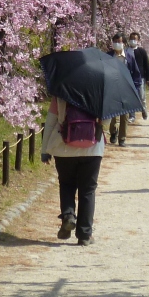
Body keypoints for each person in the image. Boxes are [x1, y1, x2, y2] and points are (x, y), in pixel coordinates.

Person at [40, 96, 104, 245]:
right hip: (92, 148)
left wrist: (45, 150)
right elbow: (105, 122)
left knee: (66, 184)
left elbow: (50, 122)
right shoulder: (100, 91)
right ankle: (84, 234)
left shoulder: (61, 92)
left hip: (63, 147)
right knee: (87, 190)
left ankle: (68, 215)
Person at [107, 34, 140, 145]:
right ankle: (113, 131)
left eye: (119, 41)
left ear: (124, 43)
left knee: (124, 115)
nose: (117, 43)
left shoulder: (129, 57)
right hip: (111, 88)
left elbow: (136, 74)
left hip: (126, 89)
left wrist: (135, 88)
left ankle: (122, 138)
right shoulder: (108, 56)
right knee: (112, 114)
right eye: (115, 41)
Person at [129, 31, 149, 120]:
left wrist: (148, 78)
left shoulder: (141, 51)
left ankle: (144, 110)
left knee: (142, 96)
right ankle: (132, 115)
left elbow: (146, 65)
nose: (133, 40)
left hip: (140, 77)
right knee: (131, 96)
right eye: (131, 39)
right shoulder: (126, 51)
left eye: (135, 39)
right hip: (129, 76)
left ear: (138, 40)